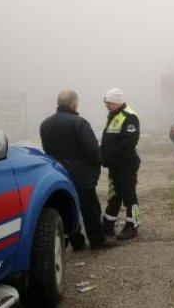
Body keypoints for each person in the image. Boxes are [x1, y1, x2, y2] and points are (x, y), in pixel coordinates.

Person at [40, 90, 118, 250]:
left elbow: (47, 149)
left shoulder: (45, 124)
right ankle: (97, 240)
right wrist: (100, 160)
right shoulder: (79, 123)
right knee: (90, 208)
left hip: (58, 174)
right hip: (81, 175)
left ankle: (76, 241)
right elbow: (91, 149)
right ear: (73, 104)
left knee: (66, 208)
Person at [100, 88, 141, 240]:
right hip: (114, 165)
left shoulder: (129, 116)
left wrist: (110, 156)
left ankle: (133, 226)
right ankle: (107, 226)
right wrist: (102, 155)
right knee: (113, 195)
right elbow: (107, 139)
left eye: (108, 102)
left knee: (129, 196)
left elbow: (128, 143)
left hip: (126, 164)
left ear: (117, 102)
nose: (106, 105)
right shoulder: (113, 115)